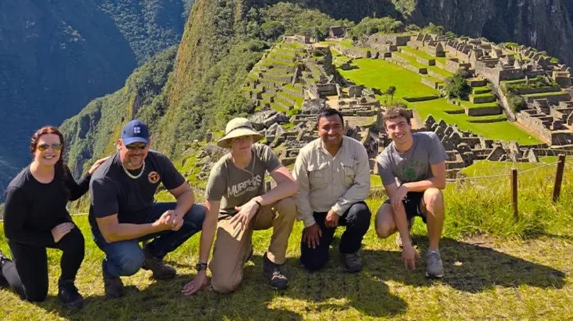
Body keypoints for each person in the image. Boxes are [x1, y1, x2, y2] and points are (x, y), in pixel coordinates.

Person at [0, 126, 104, 309]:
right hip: (26, 237)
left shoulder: (61, 171)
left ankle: (66, 285)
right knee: (35, 295)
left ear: (61, 149)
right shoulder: (19, 188)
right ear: (34, 150)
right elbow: (12, 232)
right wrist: (49, 238)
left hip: (56, 224)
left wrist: (91, 173)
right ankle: (1, 264)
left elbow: (72, 194)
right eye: (44, 147)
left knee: (75, 242)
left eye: (56, 146)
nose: (50, 151)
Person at [89, 120, 205, 298]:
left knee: (198, 214)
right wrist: (158, 226)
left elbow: (185, 193)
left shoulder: (157, 161)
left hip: (145, 214)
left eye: (141, 146)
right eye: (131, 146)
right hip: (112, 228)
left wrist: (177, 214)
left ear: (149, 144)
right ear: (120, 144)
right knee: (131, 260)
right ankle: (111, 270)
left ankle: (153, 255)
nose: (137, 152)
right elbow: (111, 231)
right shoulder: (104, 179)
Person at [183, 118, 298, 295]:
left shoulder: (263, 153)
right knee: (223, 284)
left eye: (247, 137)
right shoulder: (220, 172)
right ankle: (243, 249)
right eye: (237, 138)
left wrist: (256, 201)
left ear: (253, 138)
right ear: (229, 143)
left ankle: (273, 262)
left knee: (288, 205)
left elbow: (291, 185)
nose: (243, 142)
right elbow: (210, 220)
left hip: (258, 211)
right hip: (232, 217)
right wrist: (201, 270)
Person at [293, 108, 371, 273]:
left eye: (336, 126)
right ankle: (324, 238)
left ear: (343, 127)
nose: (332, 131)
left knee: (361, 213)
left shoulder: (357, 149)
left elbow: (362, 185)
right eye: (326, 127)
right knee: (312, 263)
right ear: (318, 130)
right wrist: (309, 223)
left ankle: (349, 249)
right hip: (318, 213)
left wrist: (337, 209)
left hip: (347, 209)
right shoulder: (307, 154)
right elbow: (299, 191)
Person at [373, 106, 447, 278]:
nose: (398, 130)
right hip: (401, 198)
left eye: (401, 124)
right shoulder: (384, 160)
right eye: (392, 127)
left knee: (434, 195)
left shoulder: (429, 140)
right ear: (386, 130)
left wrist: (406, 187)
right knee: (382, 229)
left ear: (409, 124)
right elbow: (395, 201)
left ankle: (433, 251)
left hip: (425, 193)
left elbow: (440, 181)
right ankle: (405, 230)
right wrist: (406, 244)